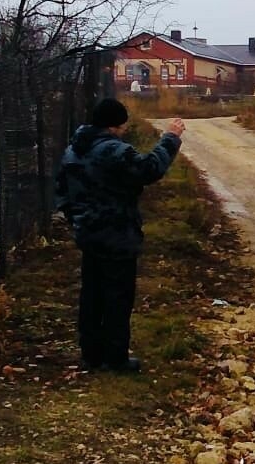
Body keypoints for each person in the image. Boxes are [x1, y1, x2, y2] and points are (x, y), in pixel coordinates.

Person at [55, 98, 185, 372]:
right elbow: (149, 169)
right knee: (117, 297)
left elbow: (62, 192)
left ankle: (91, 354)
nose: (125, 129)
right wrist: (170, 138)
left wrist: (77, 220)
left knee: (92, 294)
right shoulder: (113, 150)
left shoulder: (73, 150)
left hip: (88, 234)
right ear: (114, 125)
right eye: (123, 124)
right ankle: (116, 358)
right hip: (117, 233)